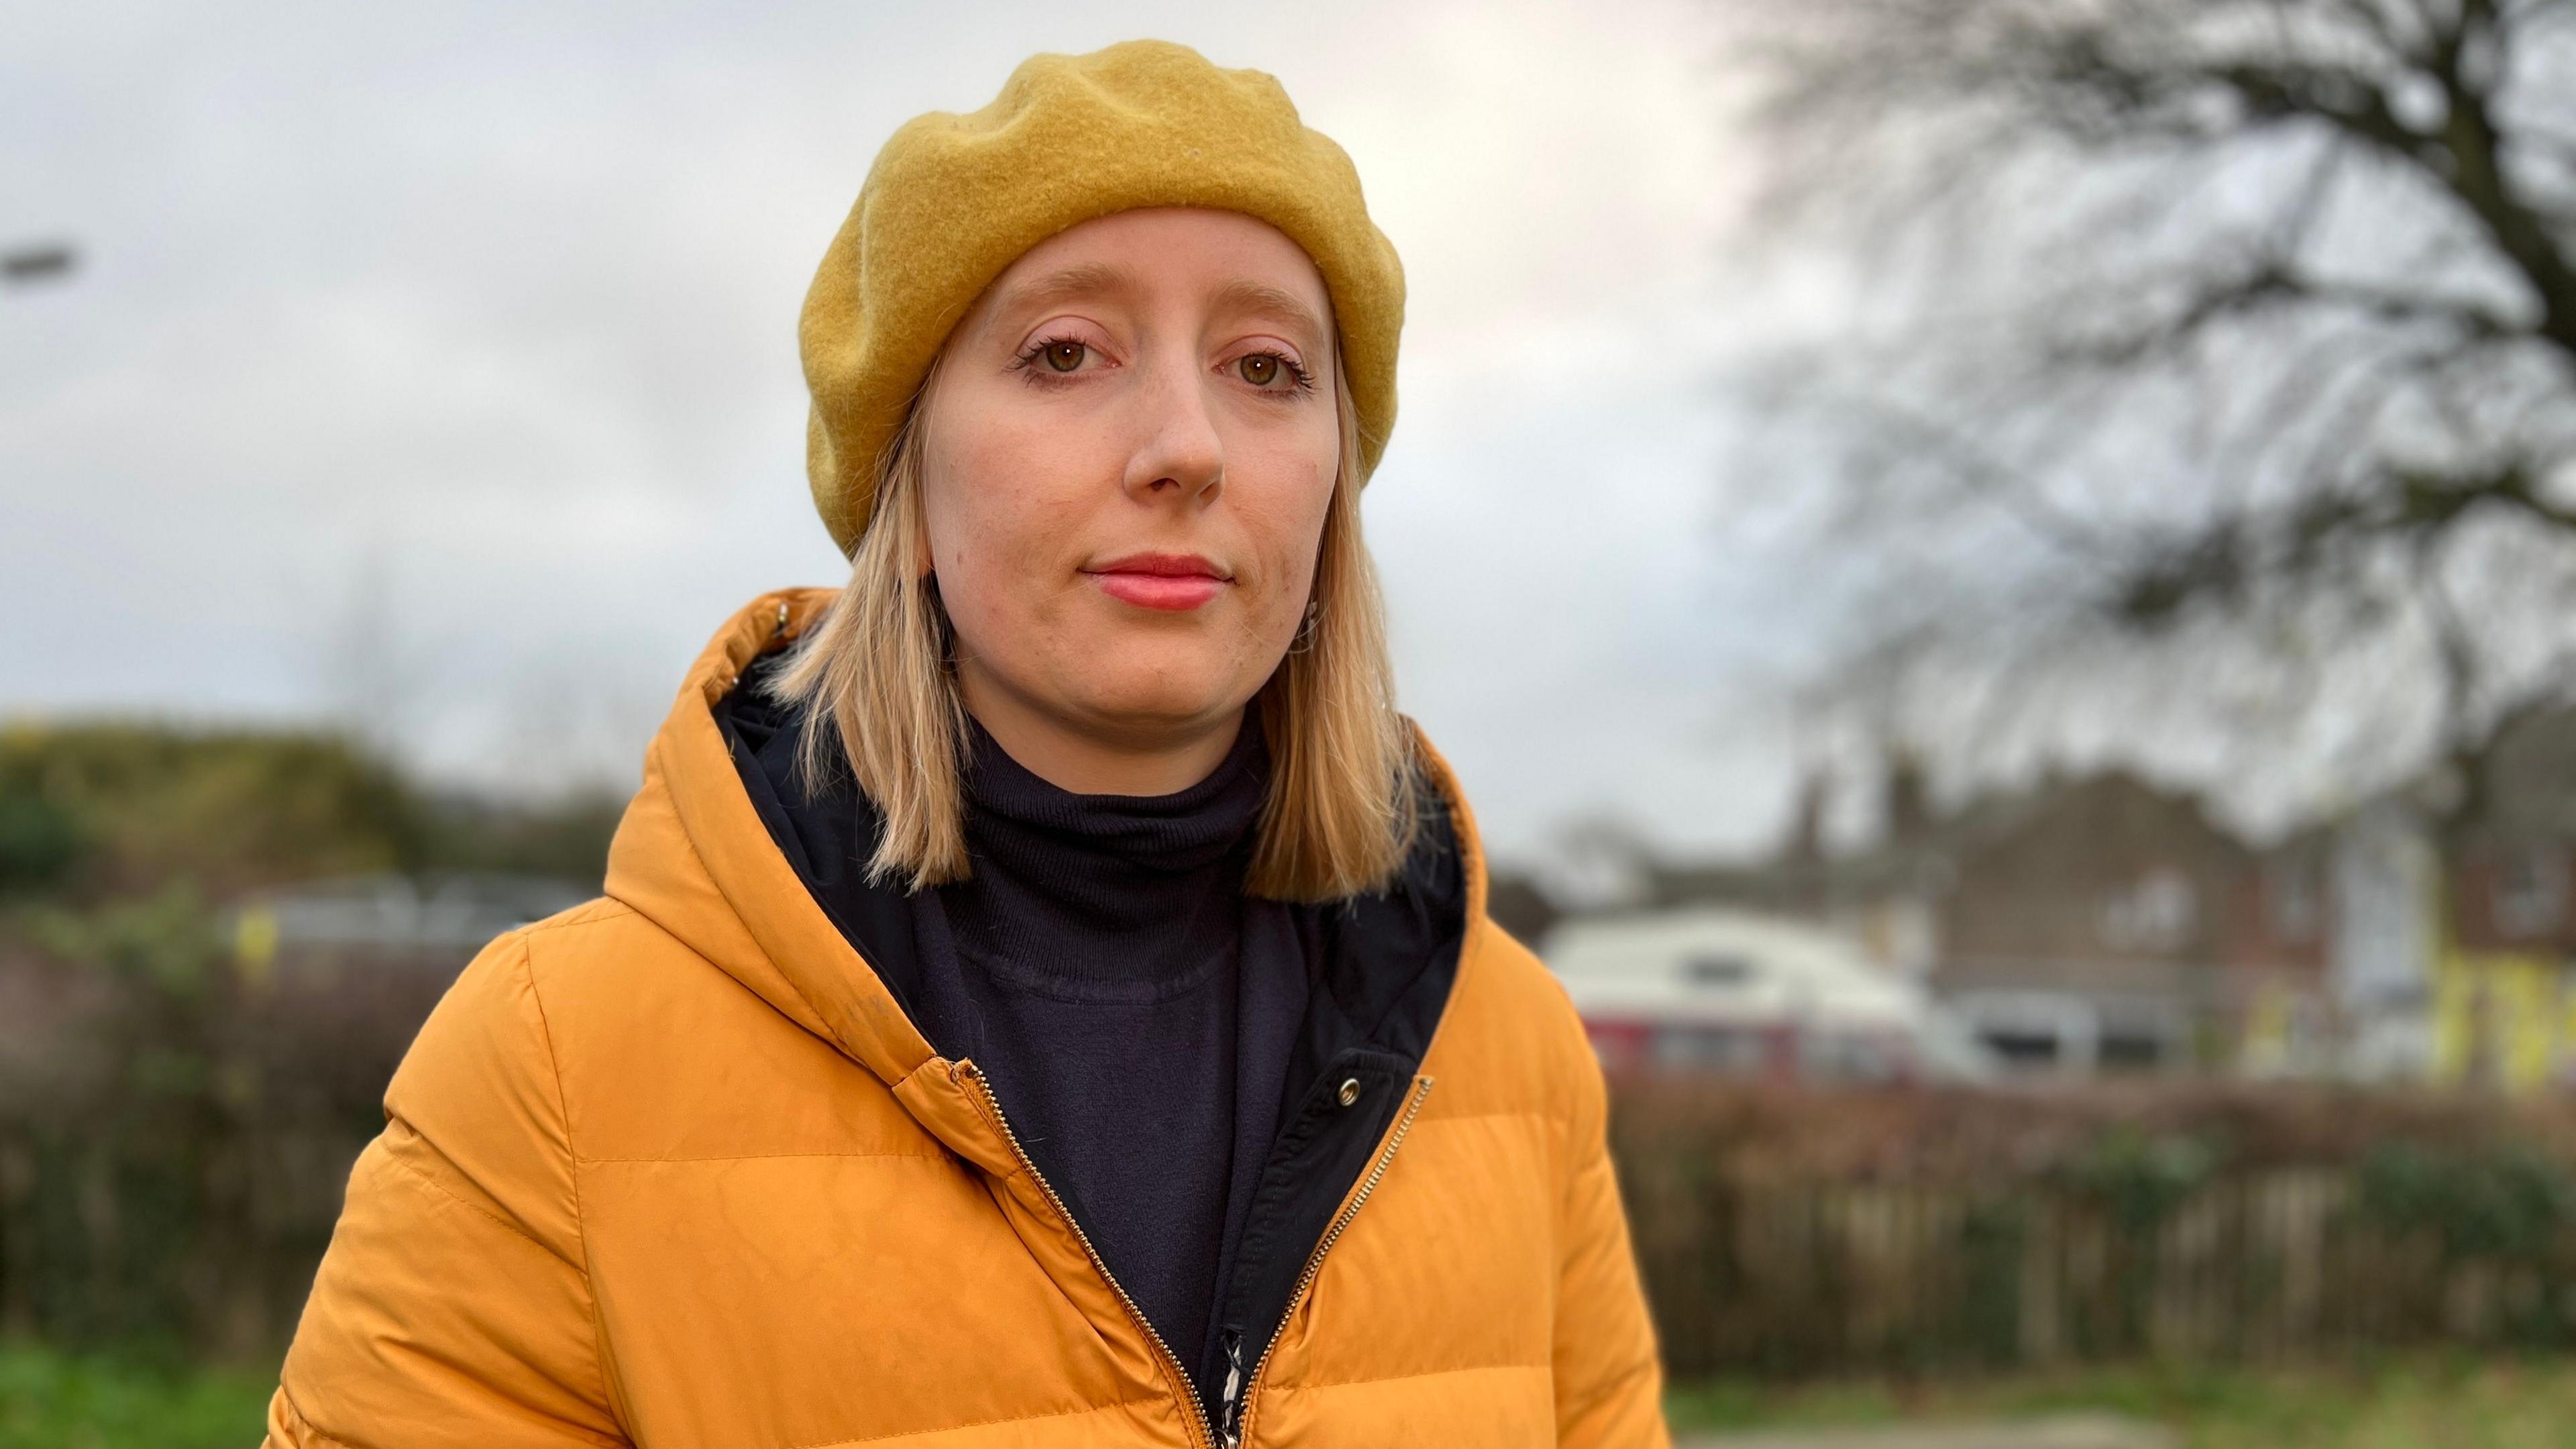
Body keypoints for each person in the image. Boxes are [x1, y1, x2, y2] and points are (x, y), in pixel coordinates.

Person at [262, 39, 1666, 1449]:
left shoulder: (1510, 1053)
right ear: (907, 483)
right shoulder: (556, 1067)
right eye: (1065, 353)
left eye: (1267, 366)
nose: (1189, 445)